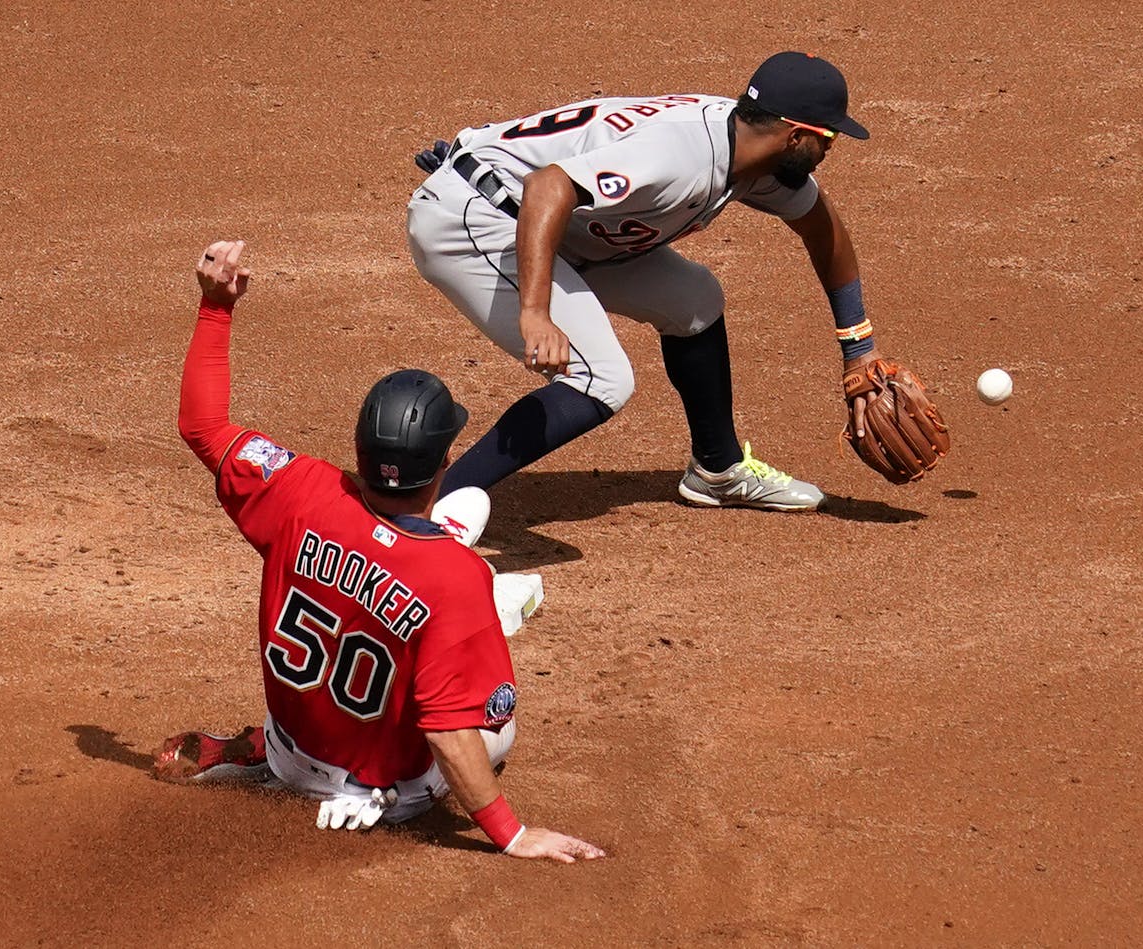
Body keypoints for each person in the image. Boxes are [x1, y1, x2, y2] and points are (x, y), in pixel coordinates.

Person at [154, 238, 603, 864]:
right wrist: (512, 833)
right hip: (388, 793)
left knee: (434, 565)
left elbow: (202, 426)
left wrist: (214, 308)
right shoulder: (455, 578)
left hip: (292, 750)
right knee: (496, 717)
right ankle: (468, 591)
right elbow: (448, 728)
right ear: (444, 460)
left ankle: (261, 751)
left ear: (360, 451)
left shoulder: (301, 491)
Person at [408, 51, 898, 511]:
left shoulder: (754, 155)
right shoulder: (680, 158)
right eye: (828, 138)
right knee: (601, 378)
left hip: (565, 226)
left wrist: (859, 347)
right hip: (482, 222)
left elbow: (823, 228)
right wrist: (536, 312)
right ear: (794, 136)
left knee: (694, 301)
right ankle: (427, 511)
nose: (830, 150)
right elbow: (547, 187)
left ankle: (718, 469)